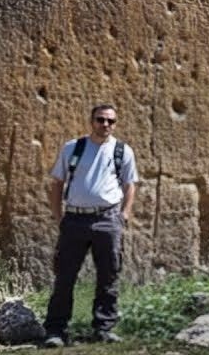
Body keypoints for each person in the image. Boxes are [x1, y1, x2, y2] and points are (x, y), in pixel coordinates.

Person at [42, 104, 139, 347]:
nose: (105, 125)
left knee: (109, 275)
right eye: (100, 120)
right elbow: (57, 183)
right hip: (74, 219)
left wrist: (124, 215)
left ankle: (104, 328)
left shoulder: (122, 151)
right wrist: (59, 217)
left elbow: (130, 185)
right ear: (91, 121)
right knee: (64, 276)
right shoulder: (73, 148)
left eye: (110, 121)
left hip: (107, 219)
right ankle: (56, 330)